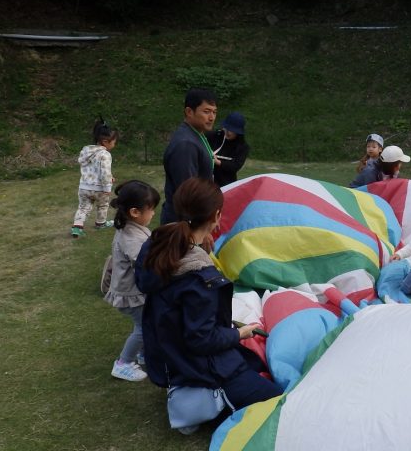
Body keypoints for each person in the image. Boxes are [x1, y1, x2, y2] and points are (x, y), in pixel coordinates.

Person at [135, 177, 283, 426]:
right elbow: (201, 339)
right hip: (197, 364)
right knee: (277, 401)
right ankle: (200, 404)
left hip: (170, 354)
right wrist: (239, 334)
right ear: (216, 215)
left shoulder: (157, 244)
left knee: (254, 364)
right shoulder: (200, 279)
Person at [105, 180, 160, 382]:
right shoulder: (130, 236)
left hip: (133, 290)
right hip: (130, 293)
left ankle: (144, 353)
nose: (153, 214)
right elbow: (145, 261)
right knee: (144, 327)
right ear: (135, 212)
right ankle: (123, 363)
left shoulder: (133, 226)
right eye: (151, 210)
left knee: (148, 323)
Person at [161, 88, 217, 226]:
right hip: (182, 225)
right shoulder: (186, 144)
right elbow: (187, 192)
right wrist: (200, 227)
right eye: (206, 111)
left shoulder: (196, 134)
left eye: (214, 112)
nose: (211, 117)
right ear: (189, 112)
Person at [71, 118, 118, 238]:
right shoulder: (105, 154)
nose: (114, 144)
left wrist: (110, 177)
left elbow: (93, 169)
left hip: (84, 187)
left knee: (83, 207)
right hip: (99, 189)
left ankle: (77, 227)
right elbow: (105, 172)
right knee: (102, 205)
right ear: (105, 141)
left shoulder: (86, 151)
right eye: (113, 142)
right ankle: (100, 223)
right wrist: (107, 187)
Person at [207, 111, 250, 188]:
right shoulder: (214, 136)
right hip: (207, 182)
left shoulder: (243, 147)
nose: (227, 132)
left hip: (226, 184)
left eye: (232, 130)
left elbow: (235, 166)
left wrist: (218, 162)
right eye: (227, 128)